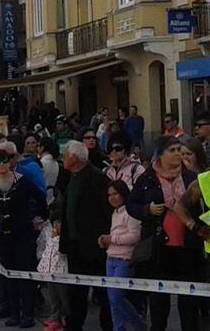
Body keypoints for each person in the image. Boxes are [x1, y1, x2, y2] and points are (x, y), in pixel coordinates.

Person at [127, 136, 201, 331]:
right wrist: (146, 210)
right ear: (160, 155)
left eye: (179, 149)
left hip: (187, 247)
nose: (178, 153)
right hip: (158, 248)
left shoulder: (191, 178)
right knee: (159, 302)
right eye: (172, 150)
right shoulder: (148, 178)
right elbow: (131, 204)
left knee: (188, 302)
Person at [0, 150, 47, 328]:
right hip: (3, 236)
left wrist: (36, 217)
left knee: (25, 275)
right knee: (9, 276)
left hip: (23, 235)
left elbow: (40, 198)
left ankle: (28, 314)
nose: (1, 165)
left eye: (4, 161)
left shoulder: (22, 181)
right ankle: (14, 312)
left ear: (10, 162)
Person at [59, 140, 113, 331]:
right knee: (75, 290)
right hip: (75, 246)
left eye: (65, 155)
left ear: (74, 158)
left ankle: (108, 325)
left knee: (102, 290)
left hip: (94, 247)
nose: (62, 158)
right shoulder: (71, 177)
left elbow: (107, 211)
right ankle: (74, 325)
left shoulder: (96, 178)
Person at [100, 180, 146, 331]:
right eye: (109, 195)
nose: (112, 197)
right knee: (112, 300)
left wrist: (112, 239)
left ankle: (138, 324)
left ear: (123, 194)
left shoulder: (130, 212)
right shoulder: (115, 213)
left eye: (115, 194)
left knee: (116, 297)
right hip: (110, 258)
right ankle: (118, 328)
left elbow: (134, 236)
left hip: (124, 260)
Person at [37, 210, 69, 331]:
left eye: (59, 224)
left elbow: (61, 253)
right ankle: (55, 317)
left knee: (64, 297)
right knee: (53, 297)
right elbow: (46, 253)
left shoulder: (63, 240)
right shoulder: (50, 237)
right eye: (54, 224)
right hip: (49, 273)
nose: (56, 227)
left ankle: (65, 317)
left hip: (61, 273)